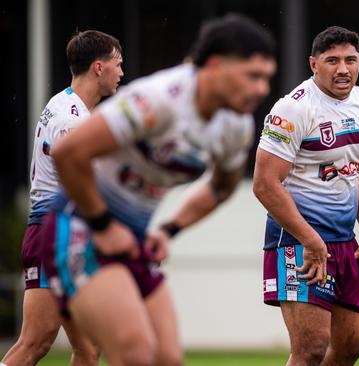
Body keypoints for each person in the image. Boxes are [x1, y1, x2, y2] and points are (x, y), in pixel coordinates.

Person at [39, 14, 276, 366]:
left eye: (266, 78)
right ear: (214, 66)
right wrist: (103, 225)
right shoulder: (160, 99)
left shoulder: (236, 125)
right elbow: (68, 153)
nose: (262, 90)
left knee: (167, 359)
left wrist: (169, 228)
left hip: (131, 237)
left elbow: (222, 187)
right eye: (252, 76)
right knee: (133, 355)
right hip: (77, 227)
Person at [253, 26, 359, 366]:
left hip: (343, 241)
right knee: (311, 348)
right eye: (332, 60)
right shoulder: (293, 109)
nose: (343, 69)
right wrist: (310, 239)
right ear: (313, 63)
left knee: (353, 343)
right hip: (297, 242)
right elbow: (264, 184)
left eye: (350, 60)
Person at [1, 30, 123, 366]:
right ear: (98, 67)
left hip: (62, 233)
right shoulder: (73, 120)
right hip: (53, 235)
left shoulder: (63, 103)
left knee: (88, 347)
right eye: (118, 64)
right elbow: (82, 187)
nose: (122, 72)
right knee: (35, 342)